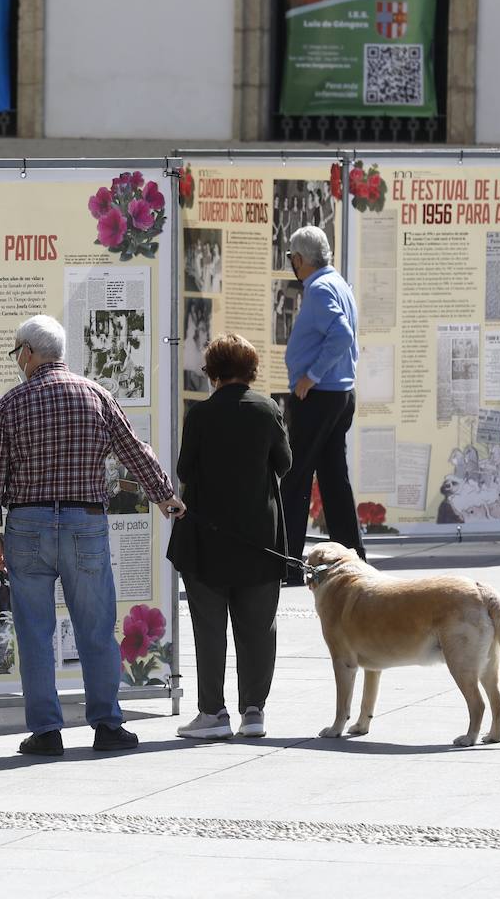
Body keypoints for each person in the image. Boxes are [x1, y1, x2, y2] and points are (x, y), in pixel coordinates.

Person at [0, 315, 186, 757]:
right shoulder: (96, 396)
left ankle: (47, 732)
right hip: (85, 525)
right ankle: (108, 725)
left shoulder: (12, 403)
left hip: (28, 526)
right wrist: (164, 495)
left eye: (17, 352)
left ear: (29, 353)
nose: (17, 361)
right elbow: (134, 449)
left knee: (34, 633)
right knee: (95, 629)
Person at [168, 334, 292, 740]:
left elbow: (186, 470)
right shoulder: (268, 409)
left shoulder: (200, 415)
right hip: (259, 537)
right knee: (259, 626)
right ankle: (253, 711)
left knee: (209, 627)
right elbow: (284, 464)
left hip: (207, 537)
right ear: (251, 370)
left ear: (212, 371)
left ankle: (212, 713)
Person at [280, 225, 364, 582]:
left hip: (319, 395)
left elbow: (341, 334)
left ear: (300, 259)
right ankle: (353, 558)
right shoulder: (338, 283)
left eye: (291, 259)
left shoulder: (319, 289)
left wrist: (310, 376)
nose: (292, 266)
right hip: (338, 395)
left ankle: (289, 565)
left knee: (296, 479)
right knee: (333, 479)